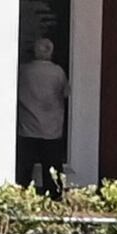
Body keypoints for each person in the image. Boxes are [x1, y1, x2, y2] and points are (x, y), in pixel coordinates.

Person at [17, 35, 74, 178]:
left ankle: (22, 195)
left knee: (24, 169)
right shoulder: (58, 72)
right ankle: (54, 196)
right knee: (52, 170)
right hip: (52, 129)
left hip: (27, 128)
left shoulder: (23, 70)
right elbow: (66, 93)